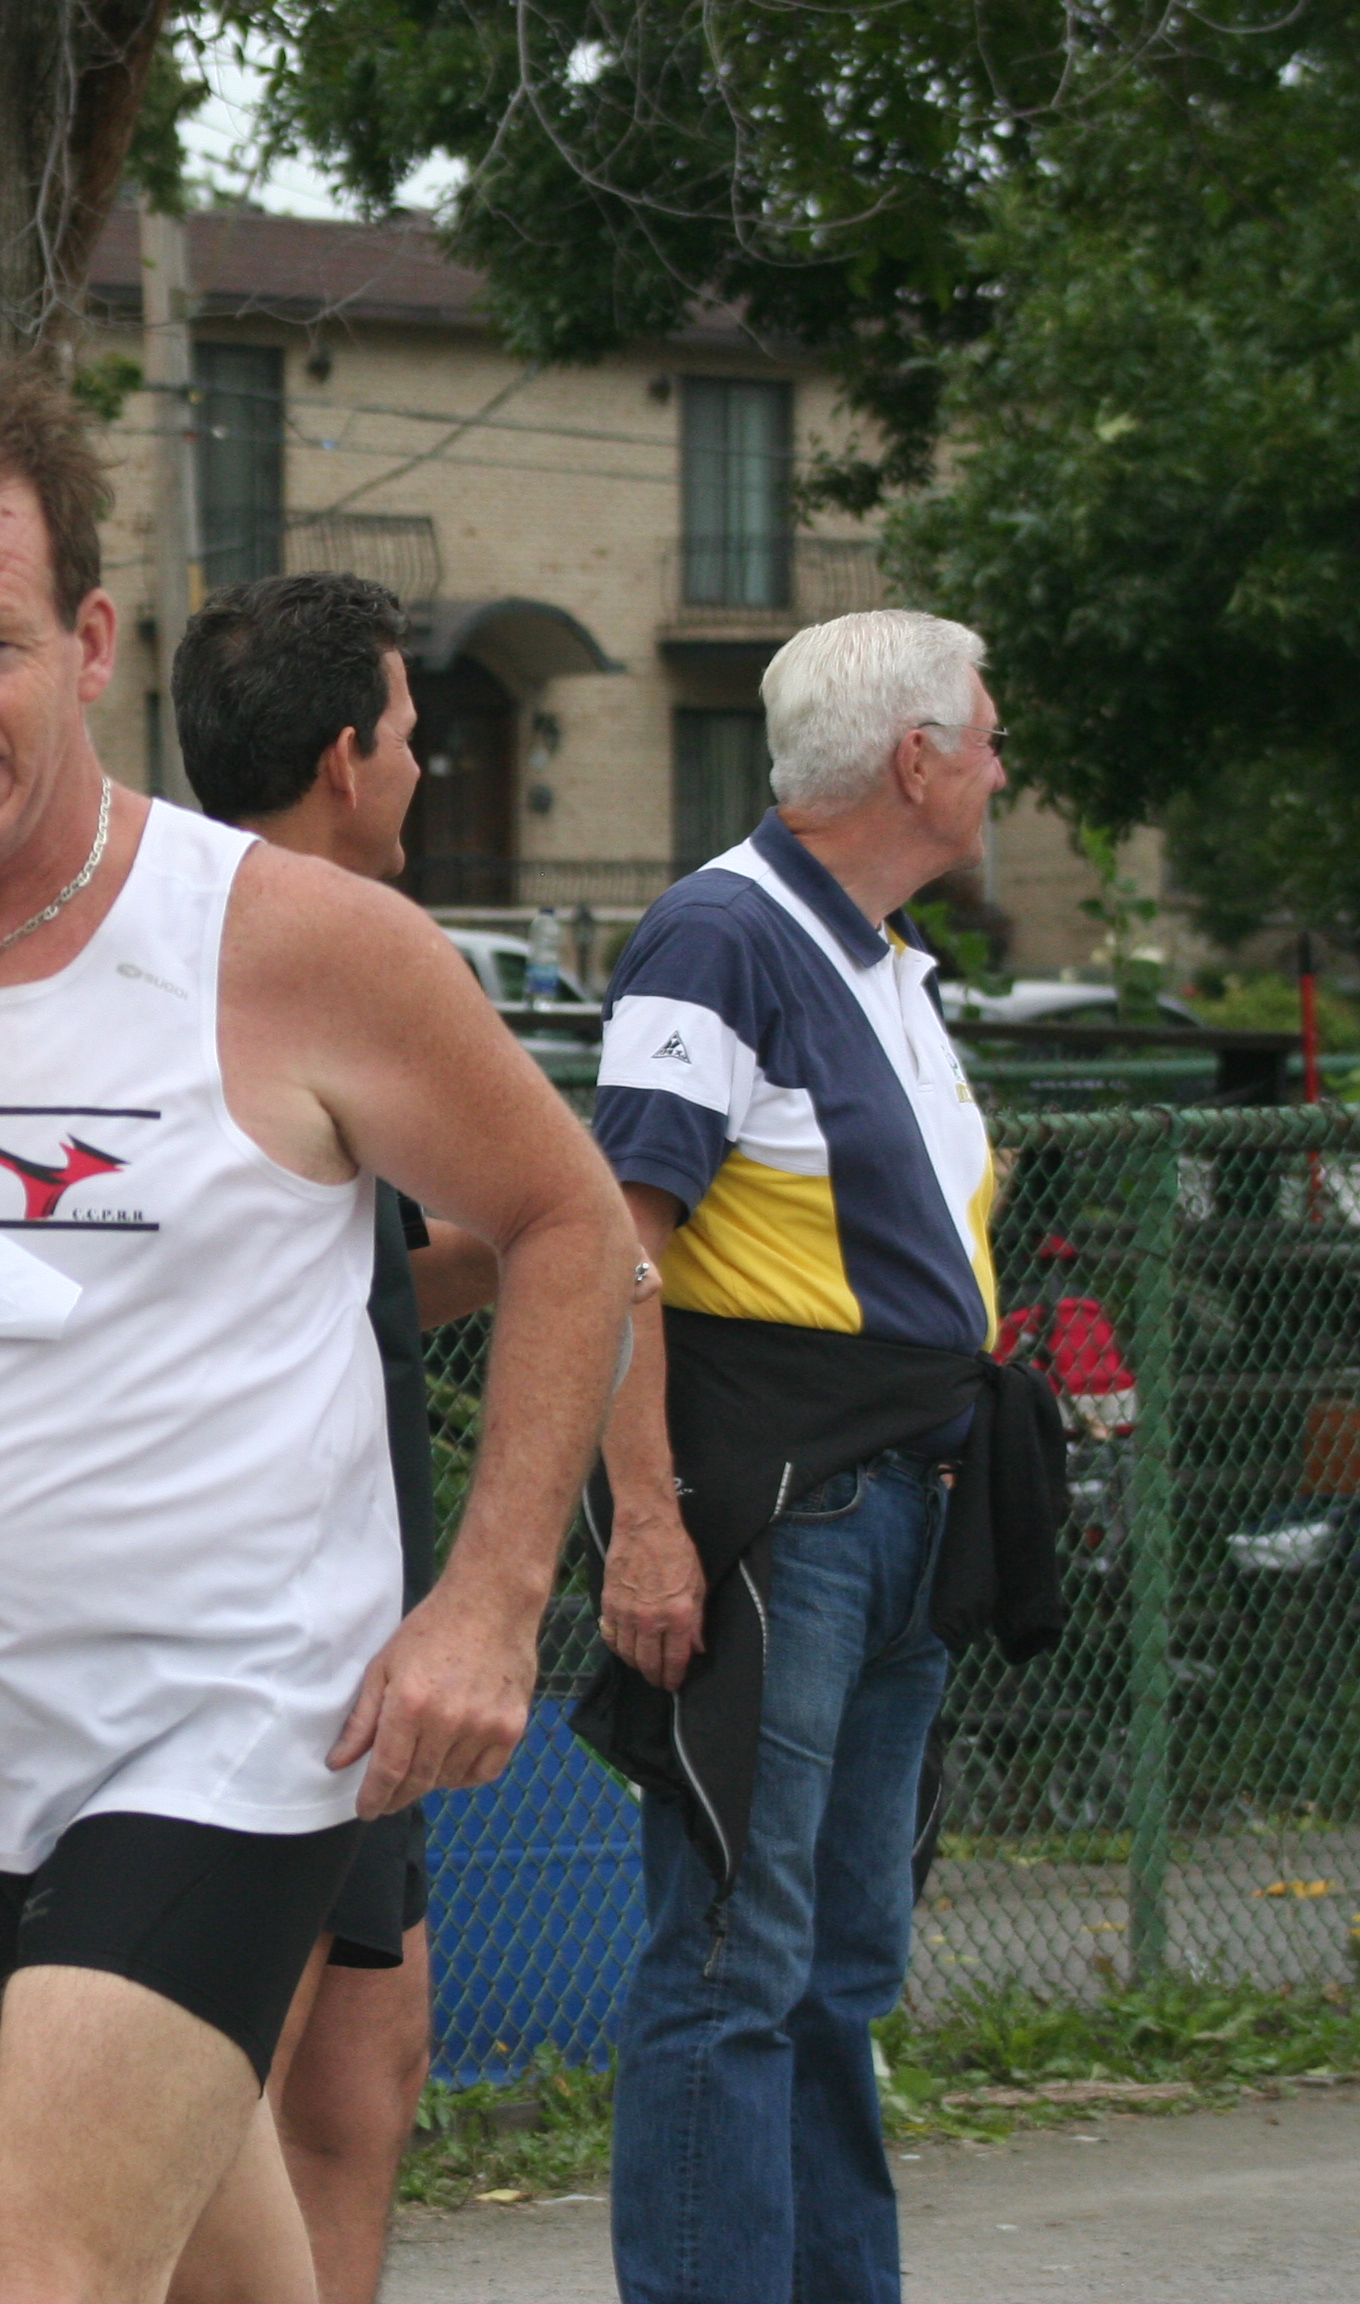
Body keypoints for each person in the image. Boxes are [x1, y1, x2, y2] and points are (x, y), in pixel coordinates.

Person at [0, 366, 633, 2304]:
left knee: (50, 2264)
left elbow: (568, 1219)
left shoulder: (287, 944)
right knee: (217, 2279)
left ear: (89, 643)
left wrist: (493, 1602)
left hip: (231, 1721)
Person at [580, 608, 1067, 2304]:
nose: (1003, 768)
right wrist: (646, 1521)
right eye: (989, 738)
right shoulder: (720, 939)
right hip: (789, 1516)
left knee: (835, 1971)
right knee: (735, 1957)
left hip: (901, 1502)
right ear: (918, 759)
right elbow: (614, 1248)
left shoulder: (875, 955)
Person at [173, 570, 502, 2304]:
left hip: (368, 1627)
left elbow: (372, 1287)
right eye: (414, 735)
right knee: (203, 2105)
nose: (426, 769)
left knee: (362, 2081)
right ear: (342, 756)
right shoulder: (258, 950)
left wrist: (530, 1246)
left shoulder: (337, 955)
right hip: (248, 1640)